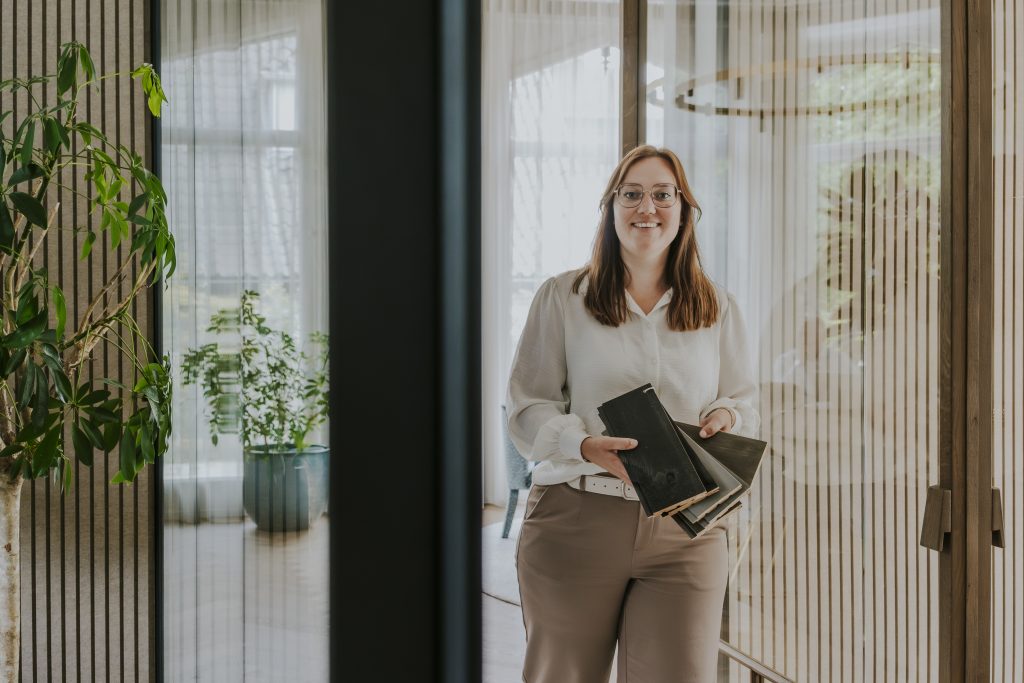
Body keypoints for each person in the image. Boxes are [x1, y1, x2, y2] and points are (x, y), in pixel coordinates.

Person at [506, 144, 760, 683]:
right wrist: (582, 446)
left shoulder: (718, 306)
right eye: (632, 193)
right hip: (576, 518)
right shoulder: (563, 297)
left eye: (663, 194)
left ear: (684, 209)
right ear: (611, 207)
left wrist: (726, 417)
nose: (648, 206)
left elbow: (743, 400)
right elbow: (527, 407)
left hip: (686, 532)